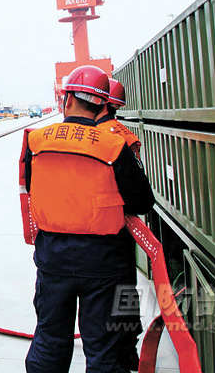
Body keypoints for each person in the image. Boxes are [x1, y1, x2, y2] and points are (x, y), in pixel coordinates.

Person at [22, 65, 155, 373]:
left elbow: (32, 187)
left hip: (53, 258)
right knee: (104, 351)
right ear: (102, 105)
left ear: (67, 99)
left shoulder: (36, 142)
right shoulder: (114, 146)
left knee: (49, 340)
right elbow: (141, 202)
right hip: (103, 262)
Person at [95, 77, 144, 371]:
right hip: (121, 225)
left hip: (109, 227)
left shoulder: (104, 137)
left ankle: (120, 351)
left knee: (111, 293)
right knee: (125, 289)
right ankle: (128, 348)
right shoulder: (121, 132)